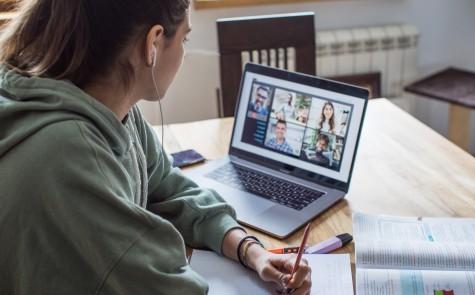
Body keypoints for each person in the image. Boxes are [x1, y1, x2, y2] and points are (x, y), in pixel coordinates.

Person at [0, 1, 311, 294]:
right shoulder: (70, 155)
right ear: (153, 43)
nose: (184, 52)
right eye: (185, 38)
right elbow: (166, 285)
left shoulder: (108, 105)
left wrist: (251, 251)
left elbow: (169, 189)